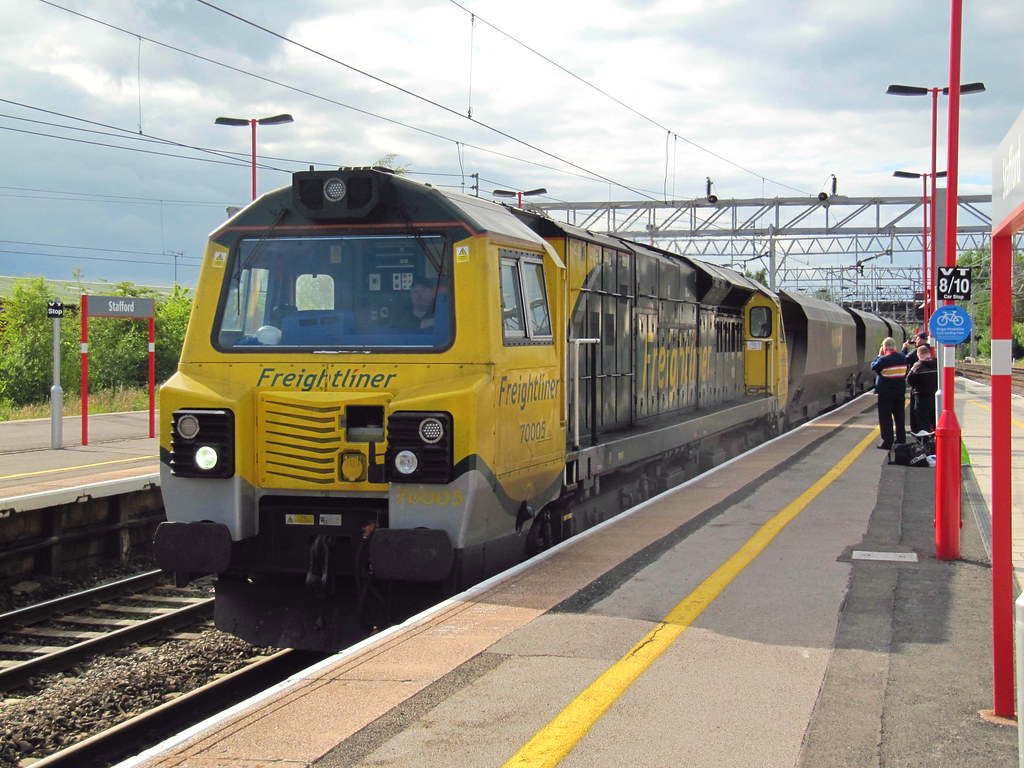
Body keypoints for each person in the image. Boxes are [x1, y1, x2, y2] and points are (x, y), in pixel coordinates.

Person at [870, 337, 909, 449]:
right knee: (899, 417)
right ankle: (901, 440)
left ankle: (887, 442)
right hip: (899, 392)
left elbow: (873, 366)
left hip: (885, 393)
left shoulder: (884, 360)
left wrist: (879, 355)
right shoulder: (903, 358)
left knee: (885, 418)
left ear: (885, 347)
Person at [906, 343, 938, 433]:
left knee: (922, 421)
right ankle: (936, 442)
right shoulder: (937, 363)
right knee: (935, 420)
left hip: (922, 397)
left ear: (919, 355)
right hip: (935, 396)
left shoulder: (917, 366)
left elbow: (909, 380)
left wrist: (918, 386)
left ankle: (924, 442)